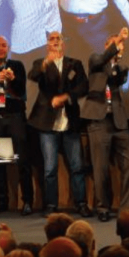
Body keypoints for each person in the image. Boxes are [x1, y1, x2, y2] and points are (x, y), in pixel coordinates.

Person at [27, 32, 90, 216]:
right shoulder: (41, 63)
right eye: (51, 39)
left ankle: (81, 203)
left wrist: (66, 97)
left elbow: (83, 86)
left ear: (63, 43)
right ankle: (51, 205)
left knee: (77, 166)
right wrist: (47, 62)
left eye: (58, 39)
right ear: (47, 44)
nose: (55, 42)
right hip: (47, 123)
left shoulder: (74, 63)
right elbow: (33, 76)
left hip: (70, 122)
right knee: (49, 169)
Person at [80, 28, 129, 222]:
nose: (119, 48)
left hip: (119, 122)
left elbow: (114, 79)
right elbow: (100, 61)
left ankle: (125, 209)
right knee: (100, 167)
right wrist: (119, 38)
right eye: (115, 45)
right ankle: (103, 207)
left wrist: (116, 60)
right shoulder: (94, 60)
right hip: (99, 121)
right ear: (107, 46)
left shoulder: (120, 68)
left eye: (121, 46)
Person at [0, 35, 34, 216]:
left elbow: (21, 89)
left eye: (4, 45)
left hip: (15, 117)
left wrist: (13, 78)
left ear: (8, 48)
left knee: (23, 160)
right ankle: (1, 200)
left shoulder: (16, 65)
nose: (1, 48)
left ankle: (27, 201)